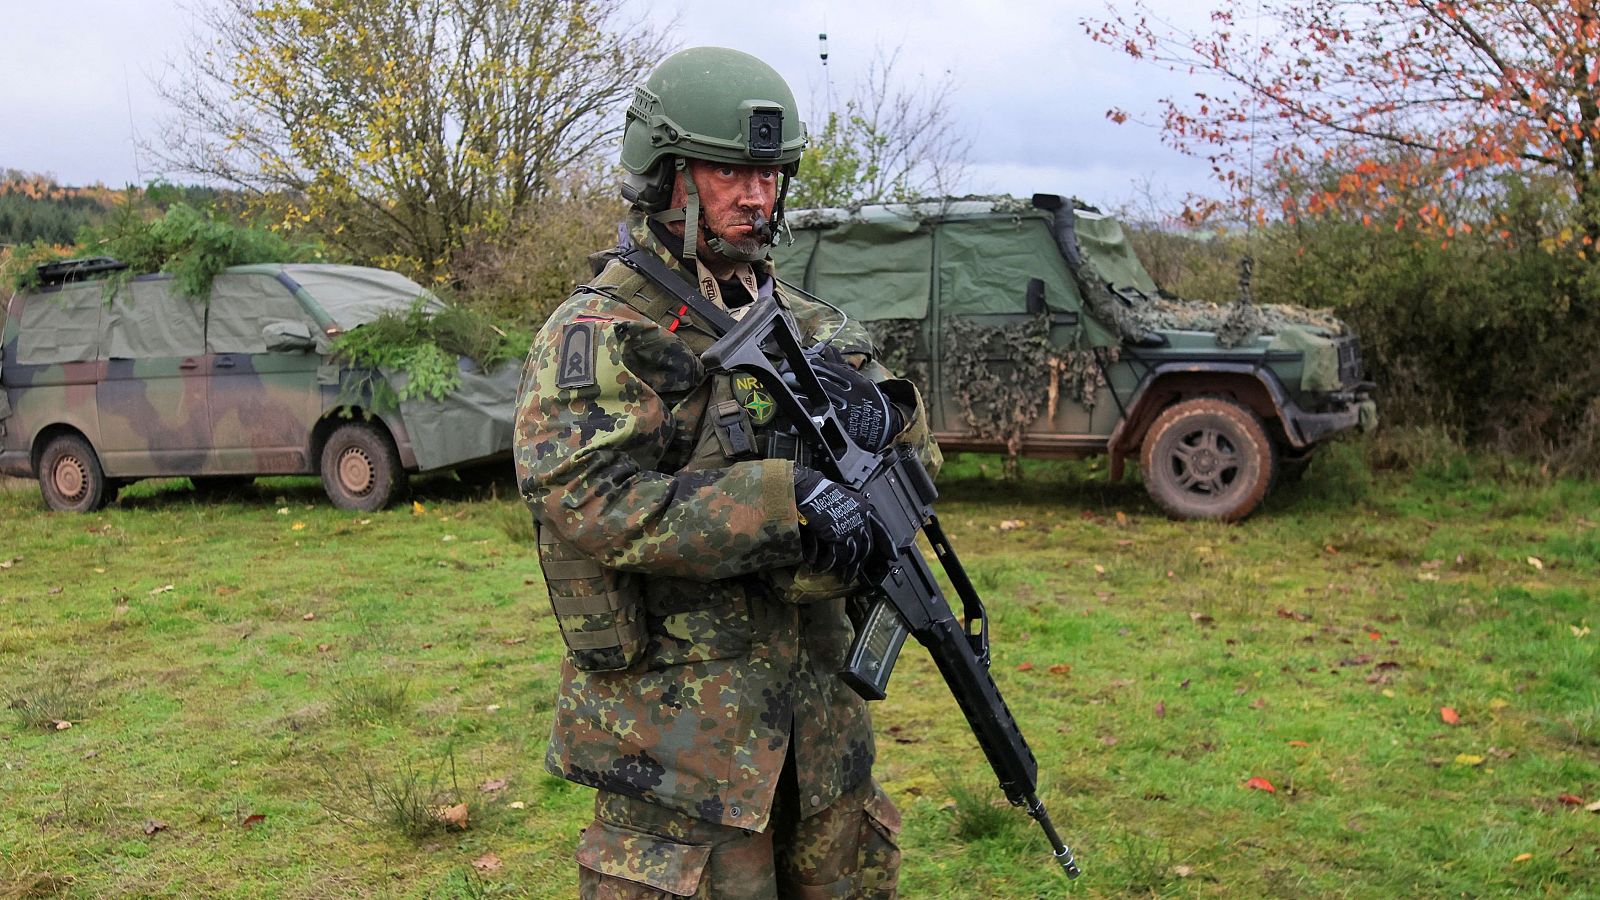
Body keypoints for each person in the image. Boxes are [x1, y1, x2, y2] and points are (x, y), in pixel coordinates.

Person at [514, 46, 941, 899]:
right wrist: (787, 502)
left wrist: (887, 420)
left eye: (770, 174)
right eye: (729, 172)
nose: (757, 195)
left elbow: (919, 471)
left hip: (822, 734)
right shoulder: (606, 331)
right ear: (666, 175)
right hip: (687, 745)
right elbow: (587, 497)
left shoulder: (812, 322)